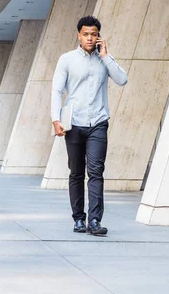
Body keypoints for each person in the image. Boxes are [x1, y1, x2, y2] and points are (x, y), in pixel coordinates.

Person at [51, 16, 128, 236]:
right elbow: (57, 90)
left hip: (98, 123)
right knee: (76, 173)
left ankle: (94, 220)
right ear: (79, 35)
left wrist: (105, 56)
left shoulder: (106, 59)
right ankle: (78, 219)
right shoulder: (66, 59)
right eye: (86, 34)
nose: (90, 38)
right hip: (73, 123)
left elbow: (122, 80)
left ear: (99, 36)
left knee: (96, 171)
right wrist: (55, 119)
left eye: (94, 34)